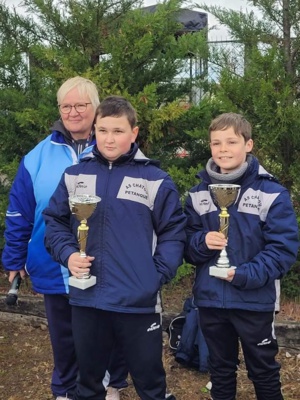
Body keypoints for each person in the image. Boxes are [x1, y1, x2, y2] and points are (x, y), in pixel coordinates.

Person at [43, 95, 186, 400]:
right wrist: (68, 255)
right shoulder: (74, 175)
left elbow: (174, 232)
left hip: (138, 302)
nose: (109, 138)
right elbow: (54, 223)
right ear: (94, 131)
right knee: (88, 383)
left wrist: (154, 276)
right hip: (87, 298)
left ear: (134, 132)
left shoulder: (155, 179)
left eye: (118, 131)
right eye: (103, 130)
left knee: (150, 383)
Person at [2, 77, 127, 400]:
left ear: (95, 107)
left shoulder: (113, 149)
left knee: (108, 328)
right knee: (64, 333)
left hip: (108, 262)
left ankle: (110, 385)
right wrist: (14, 259)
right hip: (52, 261)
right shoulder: (37, 157)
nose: (73, 112)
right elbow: (19, 212)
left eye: (81, 105)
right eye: (66, 106)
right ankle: (65, 389)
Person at [184, 112, 299, 400]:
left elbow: (282, 249)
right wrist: (201, 241)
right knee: (220, 370)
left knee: (263, 369)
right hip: (211, 300)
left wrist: (246, 274)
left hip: (254, 301)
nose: (223, 149)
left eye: (231, 142)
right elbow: (185, 244)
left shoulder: (271, 192)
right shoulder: (198, 194)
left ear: (248, 145)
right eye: (216, 143)